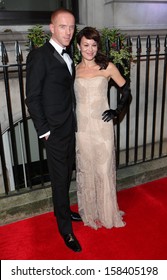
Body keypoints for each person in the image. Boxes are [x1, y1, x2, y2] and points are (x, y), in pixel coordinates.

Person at [25, 8, 82, 252]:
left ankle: (64, 209)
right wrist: (44, 130)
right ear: (52, 27)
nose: (68, 32)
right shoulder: (40, 56)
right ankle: (65, 229)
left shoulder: (68, 54)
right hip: (54, 132)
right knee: (59, 181)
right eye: (63, 26)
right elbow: (32, 97)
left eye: (71, 27)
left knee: (65, 175)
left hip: (69, 127)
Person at [74, 26, 130, 230]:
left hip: (102, 127)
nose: (90, 49)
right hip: (82, 128)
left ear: (98, 46)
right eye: (86, 45)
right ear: (79, 46)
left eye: (94, 45)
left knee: (104, 170)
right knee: (86, 169)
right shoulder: (74, 69)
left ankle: (107, 213)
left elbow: (126, 90)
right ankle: (90, 211)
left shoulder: (107, 67)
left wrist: (117, 111)